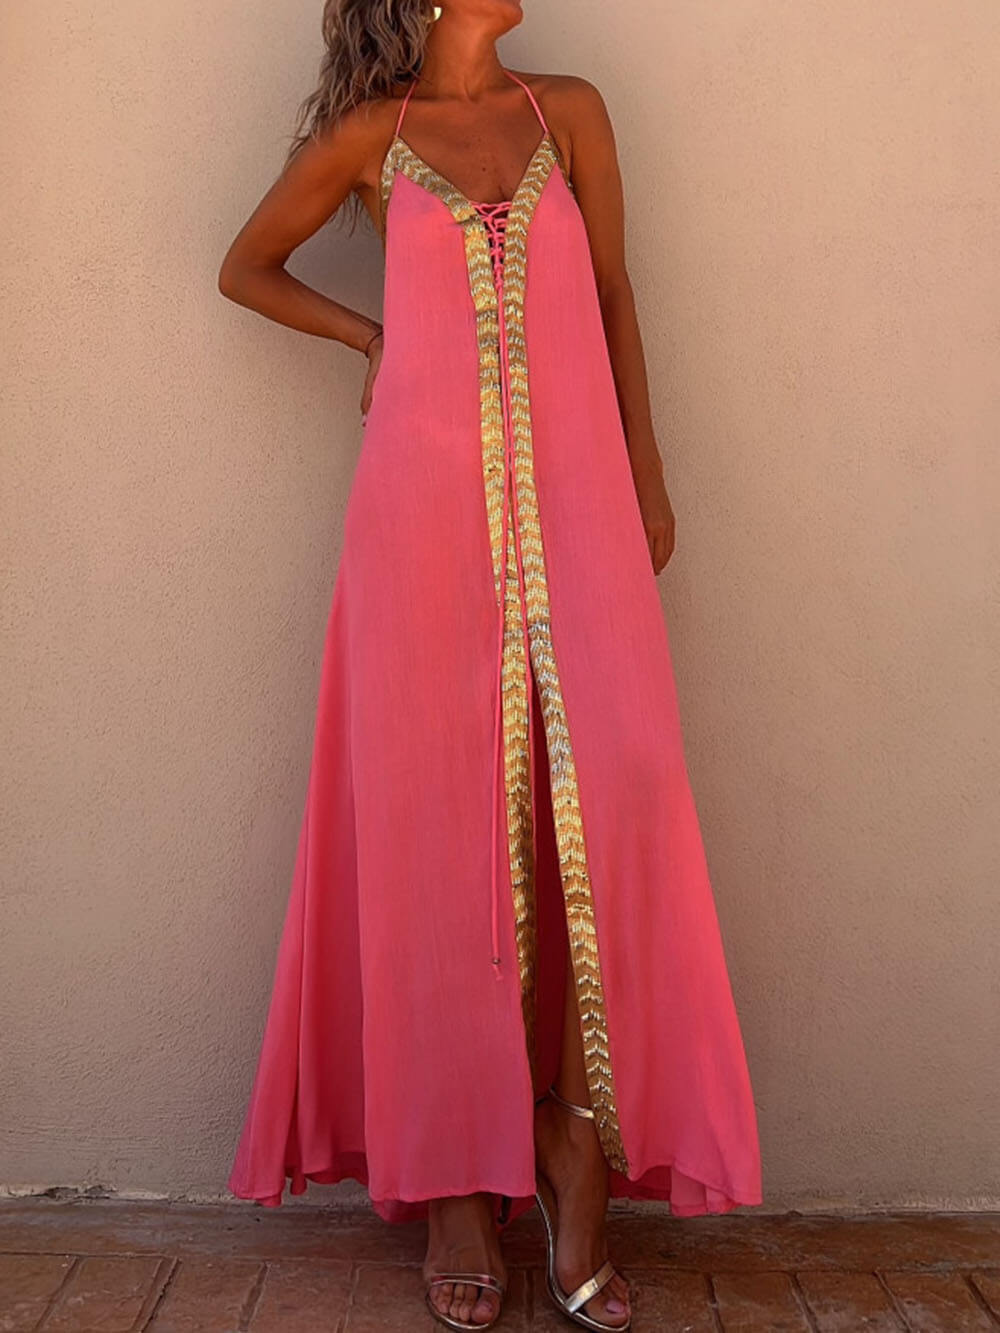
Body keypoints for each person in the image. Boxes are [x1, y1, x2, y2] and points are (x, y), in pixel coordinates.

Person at [218, 2, 763, 1329]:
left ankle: (571, 1134)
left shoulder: (565, 113)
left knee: (621, 788)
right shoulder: (370, 137)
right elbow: (247, 267)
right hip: (417, 520)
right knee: (433, 824)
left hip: (580, 506)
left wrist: (646, 473)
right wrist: (372, 338)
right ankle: (456, 1177)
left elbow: (618, 295)